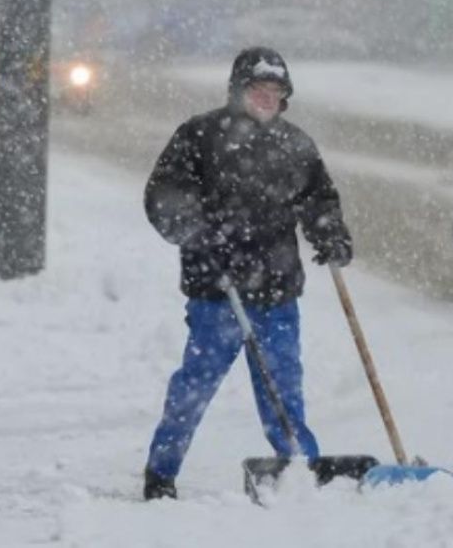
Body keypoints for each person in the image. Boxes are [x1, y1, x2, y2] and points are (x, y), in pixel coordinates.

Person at [140, 46, 353, 500]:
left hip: (276, 290)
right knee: (194, 388)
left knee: (283, 390)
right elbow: (163, 195)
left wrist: (330, 233)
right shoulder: (200, 136)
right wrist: (195, 233)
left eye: (276, 92)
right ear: (239, 90)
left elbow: (319, 199)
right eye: (259, 89)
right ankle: (161, 472)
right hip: (216, 289)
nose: (267, 98)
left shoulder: (294, 145)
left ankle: (300, 471)